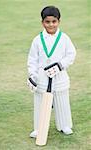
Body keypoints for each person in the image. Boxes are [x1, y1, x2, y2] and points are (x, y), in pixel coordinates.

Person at [27, 6, 76, 138]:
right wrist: (32, 76)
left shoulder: (64, 38)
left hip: (59, 75)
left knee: (62, 99)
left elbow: (71, 55)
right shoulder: (37, 40)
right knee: (40, 102)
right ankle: (38, 128)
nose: (51, 25)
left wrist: (60, 65)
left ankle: (64, 125)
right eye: (47, 22)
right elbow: (32, 60)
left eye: (54, 21)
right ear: (42, 22)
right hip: (42, 77)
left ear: (59, 21)